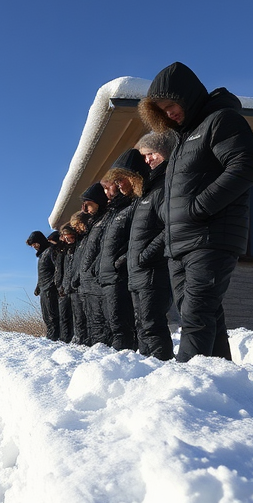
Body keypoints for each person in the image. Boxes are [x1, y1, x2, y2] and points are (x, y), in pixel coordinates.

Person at [138, 62, 253, 362]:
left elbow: (245, 167)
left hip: (211, 237)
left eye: (172, 104)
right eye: (162, 110)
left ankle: (185, 394)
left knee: (195, 316)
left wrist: (197, 208)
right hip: (181, 242)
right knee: (204, 316)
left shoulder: (221, 120)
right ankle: (221, 384)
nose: (169, 113)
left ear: (188, 95)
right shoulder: (181, 140)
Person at [127, 131, 177, 360]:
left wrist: (146, 255)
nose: (147, 160)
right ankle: (148, 373)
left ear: (165, 153)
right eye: (144, 156)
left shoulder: (165, 186)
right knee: (142, 327)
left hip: (152, 271)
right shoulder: (148, 191)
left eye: (151, 154)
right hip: (139, 272)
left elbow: (171, 227)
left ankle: (161, 372)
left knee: (152, 326)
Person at [97, 149, 148, 350]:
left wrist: (125, 259)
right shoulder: (114, 213)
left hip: (130, 272)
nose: (114, 188)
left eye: (117, 182)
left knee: (141, 328)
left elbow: (140, 237)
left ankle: (131, 366)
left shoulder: (133, 205)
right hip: (114, 274)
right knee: (113, 324)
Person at [71, 183, 111, 345]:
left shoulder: (104, 221)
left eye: (87, 204)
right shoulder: (92, 228)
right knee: (92, 323)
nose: (84, 209)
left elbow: (105, 249)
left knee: (102, 324)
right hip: (86, 283)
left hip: (97, 281)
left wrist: (95, 269)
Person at [27, 230, 60, 340]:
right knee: (46, 316)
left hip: (50, 288)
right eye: (32, 246)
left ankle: (55, 338)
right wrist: (38, 286)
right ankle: (50, 337)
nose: (34, 247)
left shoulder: (51, 251)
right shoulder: (41, 255)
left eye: (35, 244)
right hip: (43, 289)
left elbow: (58, 269)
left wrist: (54, 283)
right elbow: (42, 273)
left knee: (53, 316)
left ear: (39, 241)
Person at [65, 212, 91, 344]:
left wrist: (76, 278)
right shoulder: (69, 250)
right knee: (77, 316)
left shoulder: (82, 243)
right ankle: (80, 339)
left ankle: (84, 340)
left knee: (85, 316)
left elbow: (84, 262)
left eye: (69, 237)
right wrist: (65, 284)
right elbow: (68, 270)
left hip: (84, 283)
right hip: (73, 285)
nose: (66, 240)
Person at [52, 228, 74, 342]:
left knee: (69, 316)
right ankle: (64, 338)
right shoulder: (61, 252)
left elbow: (67, 270)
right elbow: (59, 271)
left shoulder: (69, 251)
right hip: (62, 285)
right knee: (63, 315)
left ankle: (67, 338)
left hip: (70, 286)